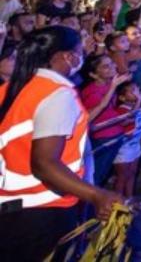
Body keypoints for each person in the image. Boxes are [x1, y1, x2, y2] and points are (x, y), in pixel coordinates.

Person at [0, 27, 123, 261]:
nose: (82, 57)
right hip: (41, 211)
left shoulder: (12, 88)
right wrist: (97, 195)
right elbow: (44, 164)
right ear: (67, 56)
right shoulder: (57, 93)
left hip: (11, 209)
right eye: (80, 51)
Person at [80, 54, 129, 187]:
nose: (113, 67)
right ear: (94, 75)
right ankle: (91, 205)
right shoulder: (92, 92)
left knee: (106, 173)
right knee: (97, 175)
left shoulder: (109, 84)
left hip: (115, 133)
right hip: (103, 138)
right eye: (106, 66)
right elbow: (91, 117)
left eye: (112, 63)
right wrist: (113, 86)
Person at [112, 81, 141, 208]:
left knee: (132, 172)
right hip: (124, 148)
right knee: (122, 176)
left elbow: (140, 123)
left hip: (135, 145)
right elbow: (129, 120)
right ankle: (118, 204)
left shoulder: (138, 108)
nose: (136, 92)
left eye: (137, 89)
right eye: (132, 90)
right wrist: (139, 102)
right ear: (122, 97)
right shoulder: (121, 110)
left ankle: (129, 199)